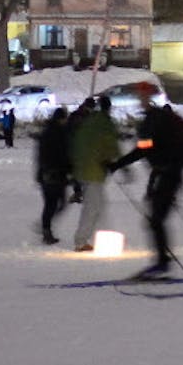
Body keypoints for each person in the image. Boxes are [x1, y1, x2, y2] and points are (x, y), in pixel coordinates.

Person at [107, 83, 183, 279]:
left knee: (156, 219)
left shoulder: (155, 120)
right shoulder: (152, 119)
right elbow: (145, 148)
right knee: (154, 218)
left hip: (169, 174)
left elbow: (144, 149)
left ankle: (162, 262)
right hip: (162, 173)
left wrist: (117, 164)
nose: (139, 99)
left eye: (142, 95)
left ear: (149, 97)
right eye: (139, 96)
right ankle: (161, 260)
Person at [71, 95, 121, 251]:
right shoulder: (105, 123)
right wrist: (117, 163)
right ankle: (81, 241)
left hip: (84, 169)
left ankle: (91, 237)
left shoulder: (89, 121)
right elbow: (111, 146)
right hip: (94, 171)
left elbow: (79, 142)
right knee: (92, 207)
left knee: (97, 205)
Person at [34, 106, 72, 244]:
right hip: (55, 174)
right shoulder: (60, 134)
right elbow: (63, 155)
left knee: (52, 204)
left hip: (46, 174)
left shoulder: (47, 132)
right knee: (55, 203)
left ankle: (46, 228)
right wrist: (69, 170)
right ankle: (46, 229)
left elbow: (40, 156)